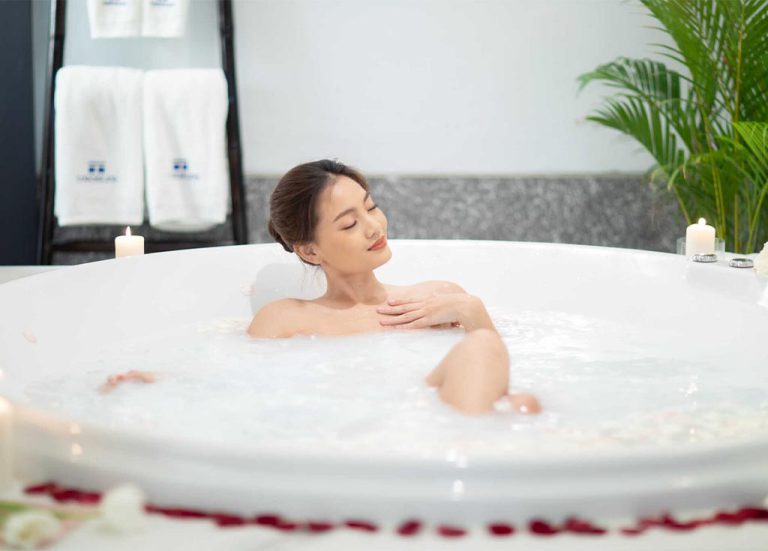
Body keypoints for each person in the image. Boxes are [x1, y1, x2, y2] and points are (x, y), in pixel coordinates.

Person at [248, 160, 541, 416]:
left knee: (511, 383)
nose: (374, 226)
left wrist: (471, 311)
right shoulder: (286, 318)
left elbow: (498, 372)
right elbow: (259, 400)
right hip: (359, 430)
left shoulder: (440, 296)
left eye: (371, 207)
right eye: (350, 224)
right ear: (310, 252)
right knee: (521, 406)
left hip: (433, 417)